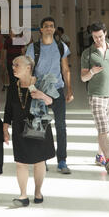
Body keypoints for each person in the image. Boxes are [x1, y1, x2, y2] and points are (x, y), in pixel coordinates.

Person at [3, 55, 55, 206]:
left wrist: (42, 95)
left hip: (38, 125)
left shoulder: (41, 82)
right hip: (19, 127)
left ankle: (38, 192)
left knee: (39, 161)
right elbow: (8, 110)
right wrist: (5, 128)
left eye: (16, 65)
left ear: (28, 68)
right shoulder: (14, 86)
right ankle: (23, 195)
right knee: (21, 162)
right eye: (13, 65)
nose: (13, 68)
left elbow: (53, 102)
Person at [26, 17, 74, 174]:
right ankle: (42, 159)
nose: (49, 28)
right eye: (46, 26)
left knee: (61, 126)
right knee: (40, 125)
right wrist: (32, 89)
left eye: (51, 26)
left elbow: (66, 69)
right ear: (40, 29)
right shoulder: (33, 48)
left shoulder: (61, 47)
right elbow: (28, 71)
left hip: (58, 90)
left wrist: (69, 90)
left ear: (54, 29)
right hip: (39, 91)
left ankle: (62, 160)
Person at [81, 22, 109, 174]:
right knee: (103, 130)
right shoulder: (88, 53)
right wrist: (92, 72)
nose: (98, 40)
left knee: (104, 131)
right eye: (94, 37)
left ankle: (99, 156)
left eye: (100, 36)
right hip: (96, 97)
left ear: (105, 33)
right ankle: (108, 160)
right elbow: (83, 78)